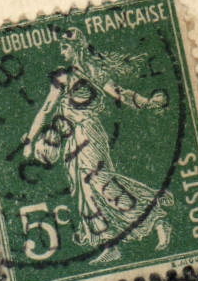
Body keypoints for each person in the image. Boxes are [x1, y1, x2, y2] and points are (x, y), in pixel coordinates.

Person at [21, 27, 174, 262]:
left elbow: (121, 94)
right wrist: (30, 139)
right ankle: (108, 245)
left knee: (102, 184)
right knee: (85, 192)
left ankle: (156, 219)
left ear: (76, 48)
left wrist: (148, 103)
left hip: (90, 135)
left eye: (65, 47)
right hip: (71, 141)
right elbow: (46, 109)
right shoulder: (62, 77)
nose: (61, 52)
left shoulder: (95, 72)